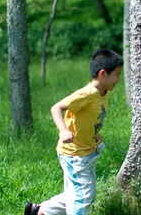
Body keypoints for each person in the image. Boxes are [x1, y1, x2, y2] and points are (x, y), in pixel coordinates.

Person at [24, 49, 123, 215]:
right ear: (103, 74)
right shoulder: (87, 94)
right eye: (117, 74)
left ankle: (40, 211)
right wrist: (63, 131)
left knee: (78, 194)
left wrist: (93, 134)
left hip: (85, 152)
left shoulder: (103, 92)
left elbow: (87, 119)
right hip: (75, 154)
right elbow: (56, 108)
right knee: (82, 198)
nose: (118, 79)